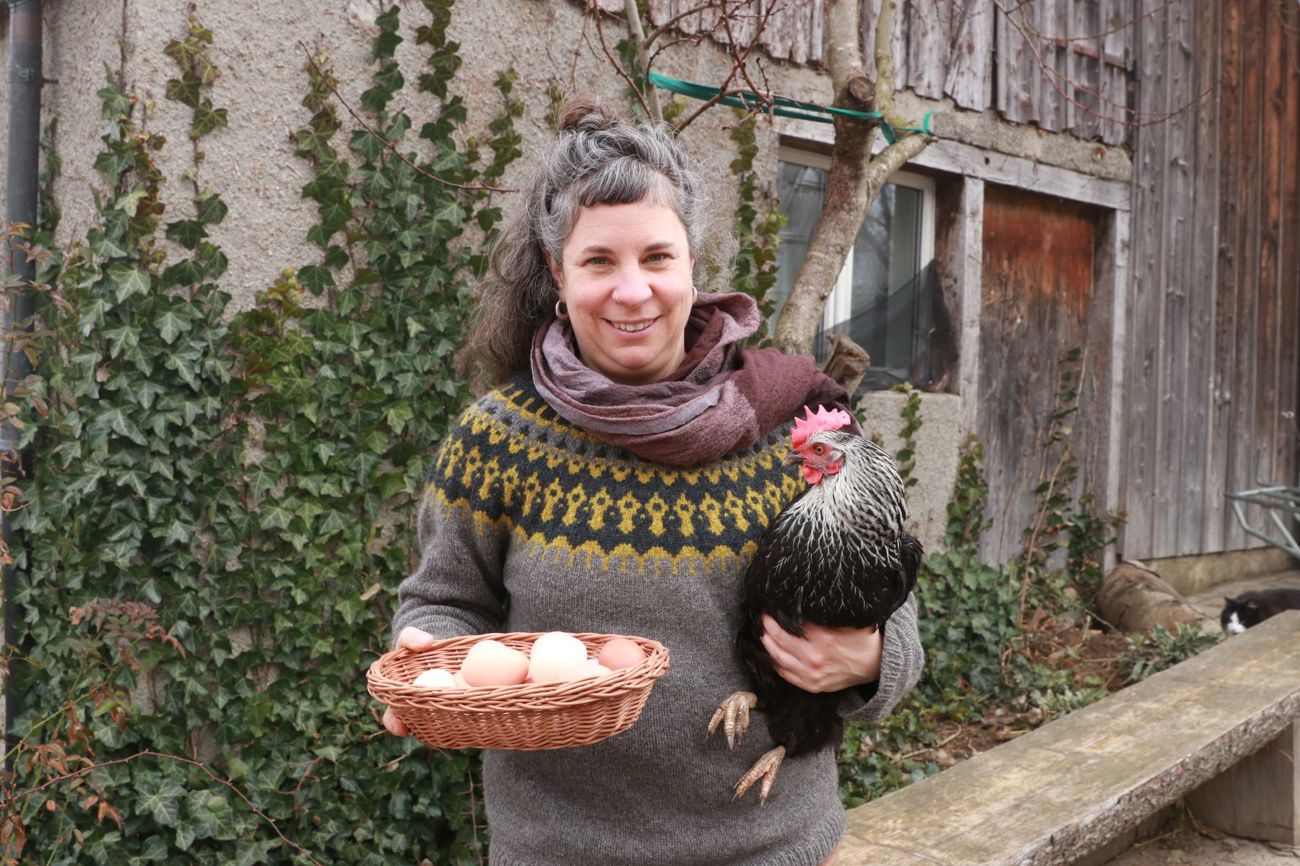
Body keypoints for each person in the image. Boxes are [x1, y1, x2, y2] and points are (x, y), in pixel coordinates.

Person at [384, 98, 924, 866]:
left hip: (774, 850)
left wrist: (870, 661)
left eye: (657, 258)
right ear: (557, 275)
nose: (632, 291)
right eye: (600, 260)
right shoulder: (498, 440)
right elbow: (444, 601)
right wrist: (436, 665)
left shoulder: (799, 426)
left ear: (692, 266)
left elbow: (895, 609)